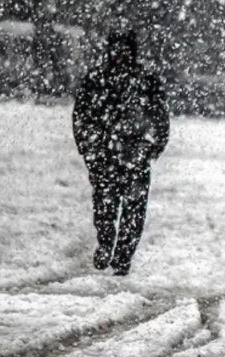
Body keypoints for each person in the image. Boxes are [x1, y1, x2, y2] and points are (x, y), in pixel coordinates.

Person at [72, 30, 169, 276]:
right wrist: (89, 148)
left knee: (132, 211)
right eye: (117, 50)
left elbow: (160, 119)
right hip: (106, 156)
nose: (121, 56)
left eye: (125, 50)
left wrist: (150, 148)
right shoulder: (97, 80)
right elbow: (81, 117)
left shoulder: (145, 81)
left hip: (133, 157)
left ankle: (122, 257)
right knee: (105, 207)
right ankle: (106, 245)